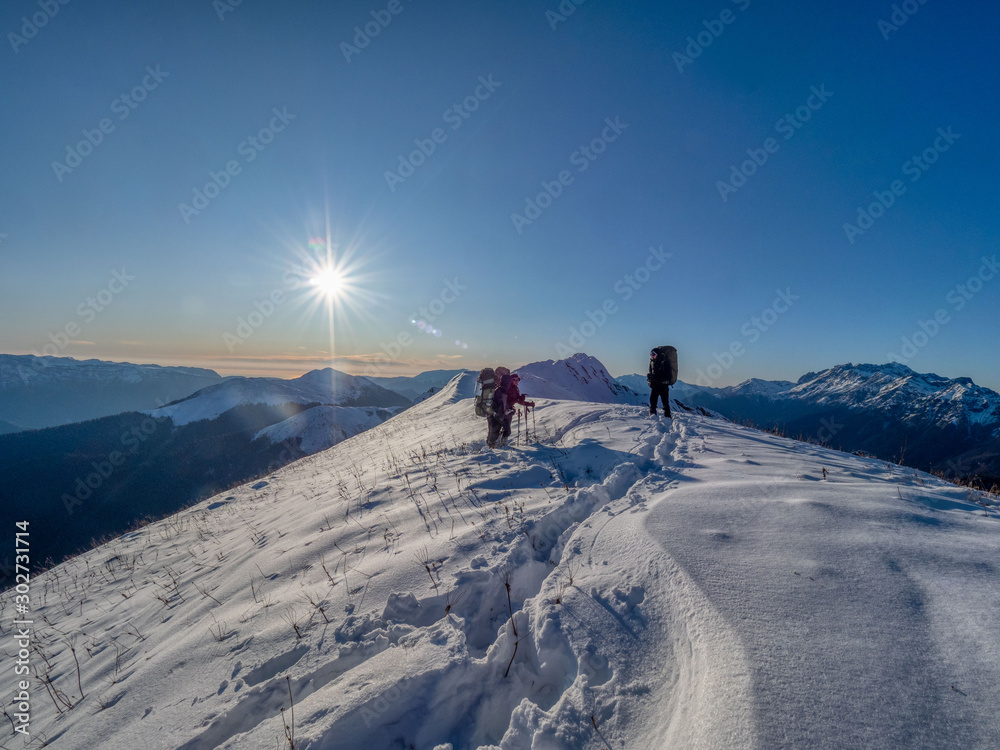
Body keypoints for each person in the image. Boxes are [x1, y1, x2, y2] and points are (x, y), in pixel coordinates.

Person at [488, 370, 535, 448]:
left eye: (518, 380)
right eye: (515, 379)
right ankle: (497, 446)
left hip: (503, 413)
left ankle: (498, 446)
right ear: (511, 380)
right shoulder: (506, 389)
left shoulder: (513, 389)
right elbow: (508, 401)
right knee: (500, 431)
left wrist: (525, 401)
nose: (517, 381)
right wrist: (519, 400)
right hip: (499, 414)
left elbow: (515, 400)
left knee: (502, 431)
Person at [647, 349, 673, 418]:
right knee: (652, 400)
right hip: (655, 385)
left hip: (663, 385)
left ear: (657, 354)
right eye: (651, 355)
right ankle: (653, 413)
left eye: (653, 354)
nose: (652, 356)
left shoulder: (665, 363)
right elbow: (651, 372)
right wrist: (650, 379)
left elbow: (668, 376)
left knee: (665, 402)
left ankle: (667, 415)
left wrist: (655, 377)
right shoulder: (652, 362)